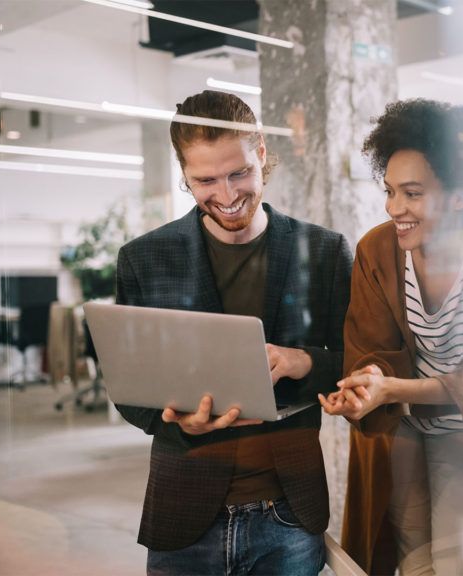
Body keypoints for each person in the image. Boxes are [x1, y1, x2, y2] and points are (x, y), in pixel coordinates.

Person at [113, 90, 352, 576]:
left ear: (261, 153)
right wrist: (176, 420)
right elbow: (129, 389)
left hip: (287, 512)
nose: (226, 195)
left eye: (239, 172)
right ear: (183, 174)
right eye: (205, 180)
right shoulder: (144, 259)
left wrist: (305, 362)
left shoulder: (324, 252)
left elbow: (357, 364)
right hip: (185, 512)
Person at [318, 99, 463, 575]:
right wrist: (368, 381)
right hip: (401, 433)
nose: (395, 208)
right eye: (390, 191)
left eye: (412, 193)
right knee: (414, 562)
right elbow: (368, 348)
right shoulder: (376, 250)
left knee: (456, 562)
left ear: (458, 194)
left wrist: (391, 389)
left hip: (460, 433)